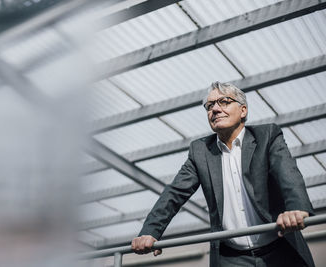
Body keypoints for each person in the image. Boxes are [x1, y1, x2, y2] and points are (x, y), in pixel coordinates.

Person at [131, 82, 315, 267]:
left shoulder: (267, 135)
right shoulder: (200, 150)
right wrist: (150, 231)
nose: (215, 109)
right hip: (232, 259)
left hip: (280, 250)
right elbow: (174, 193)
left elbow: (287, 172)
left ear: (243, 110)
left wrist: (296, 208)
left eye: (224, 102)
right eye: (209, 106)